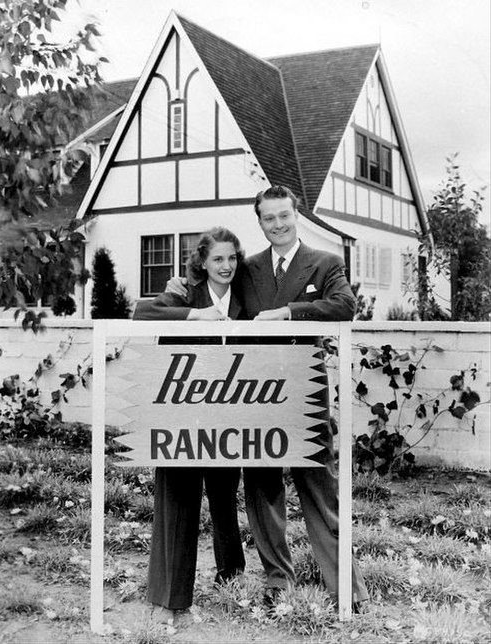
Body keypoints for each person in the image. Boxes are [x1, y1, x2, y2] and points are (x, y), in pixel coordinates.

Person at [166, 186, 369, 610]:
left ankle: (346, 589)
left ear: (298, 215)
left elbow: (344, 306)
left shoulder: (326, 263)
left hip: (303, 390)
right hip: (257, 393)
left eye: (284, 216)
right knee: (262, 490)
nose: (277, 225)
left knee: (319, 489)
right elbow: (212, 285)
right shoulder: (248, 268)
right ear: (259, 222)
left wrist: (289, 312)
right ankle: (279, 583)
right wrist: (181, 289)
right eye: (268, 218)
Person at [133, 227, 246, 625]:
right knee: (178, 500)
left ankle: (231, 582)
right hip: (181, 412)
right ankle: (170, 598)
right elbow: (141, 313)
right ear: (202, 261)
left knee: (224, 498)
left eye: (232, 258)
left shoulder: (245, 294)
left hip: (228, 413)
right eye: (217, 259)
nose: (226, 266)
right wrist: (193, 314)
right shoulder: (184, 291)